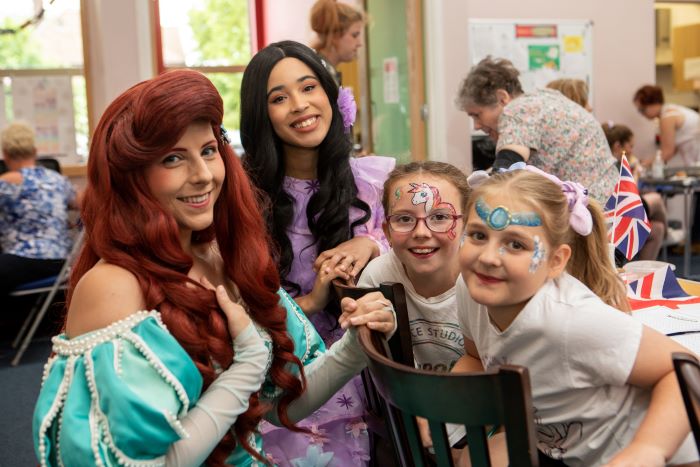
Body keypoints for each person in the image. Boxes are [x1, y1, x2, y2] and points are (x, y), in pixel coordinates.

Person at [32, 69, 395, 467]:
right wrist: (245, 371)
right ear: (132, 177)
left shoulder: (222, 258)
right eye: (173, 158)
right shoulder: (113, 285)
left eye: (208, 151)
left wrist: (356, 346)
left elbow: (281, 405)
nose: (203, 175)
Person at [454, 166, 696, 466]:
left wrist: (648, 449)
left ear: (556, 261)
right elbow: (476, 356)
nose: (488, 257)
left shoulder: (572, 321)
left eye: (516, 244)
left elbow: (688, 372)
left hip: (646, 451)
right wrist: (438, 407)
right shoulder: (470, 288)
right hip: (561, 446)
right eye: (478, 235)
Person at [240, 40, 395, 465]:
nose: (299, 105)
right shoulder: (246, 201)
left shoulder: (372, 183)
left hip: (376, 380)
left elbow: (422, 247)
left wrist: (371, 241)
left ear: (331, 96)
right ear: (262, 114)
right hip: (288, 386)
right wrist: (311, 302)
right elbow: (238, 312)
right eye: (279, 97)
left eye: (309, 88)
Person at [456, 56, 618, 205]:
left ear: (502, 98)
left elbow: (506, 167)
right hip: (612, 201)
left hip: (595, 208)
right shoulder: (544, 99)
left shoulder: (517, 109)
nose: (476, 125)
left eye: (477, 115)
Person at [0, 121, 79, 297]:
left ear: (5, 155)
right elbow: (81, 203)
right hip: (61, 262)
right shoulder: (57, 179)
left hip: (27, 259)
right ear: (35, 152)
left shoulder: (9, 181)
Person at [602, 122, 668, 261]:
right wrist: (636, 174)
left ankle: (643, 272)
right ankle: (670, 234)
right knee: (656, 199)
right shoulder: (612, 166)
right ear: (618, 146)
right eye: (630, 146)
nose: (632, 150)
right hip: (616, 216)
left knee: (657, 228)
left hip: (618, 214)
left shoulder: (616, 163)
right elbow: (631, 199)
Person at [633, 84, 700, 167]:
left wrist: (642, 165)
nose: (642, 114)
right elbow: (672, 149)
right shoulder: (672, 110)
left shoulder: (667, 117)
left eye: (642, 110)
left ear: (654, 103)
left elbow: (667, 153)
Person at [309, 0, 365, 86]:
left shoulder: (325, 70)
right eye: (354, 35)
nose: (359, 43)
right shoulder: (321, 75)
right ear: (334, 35)